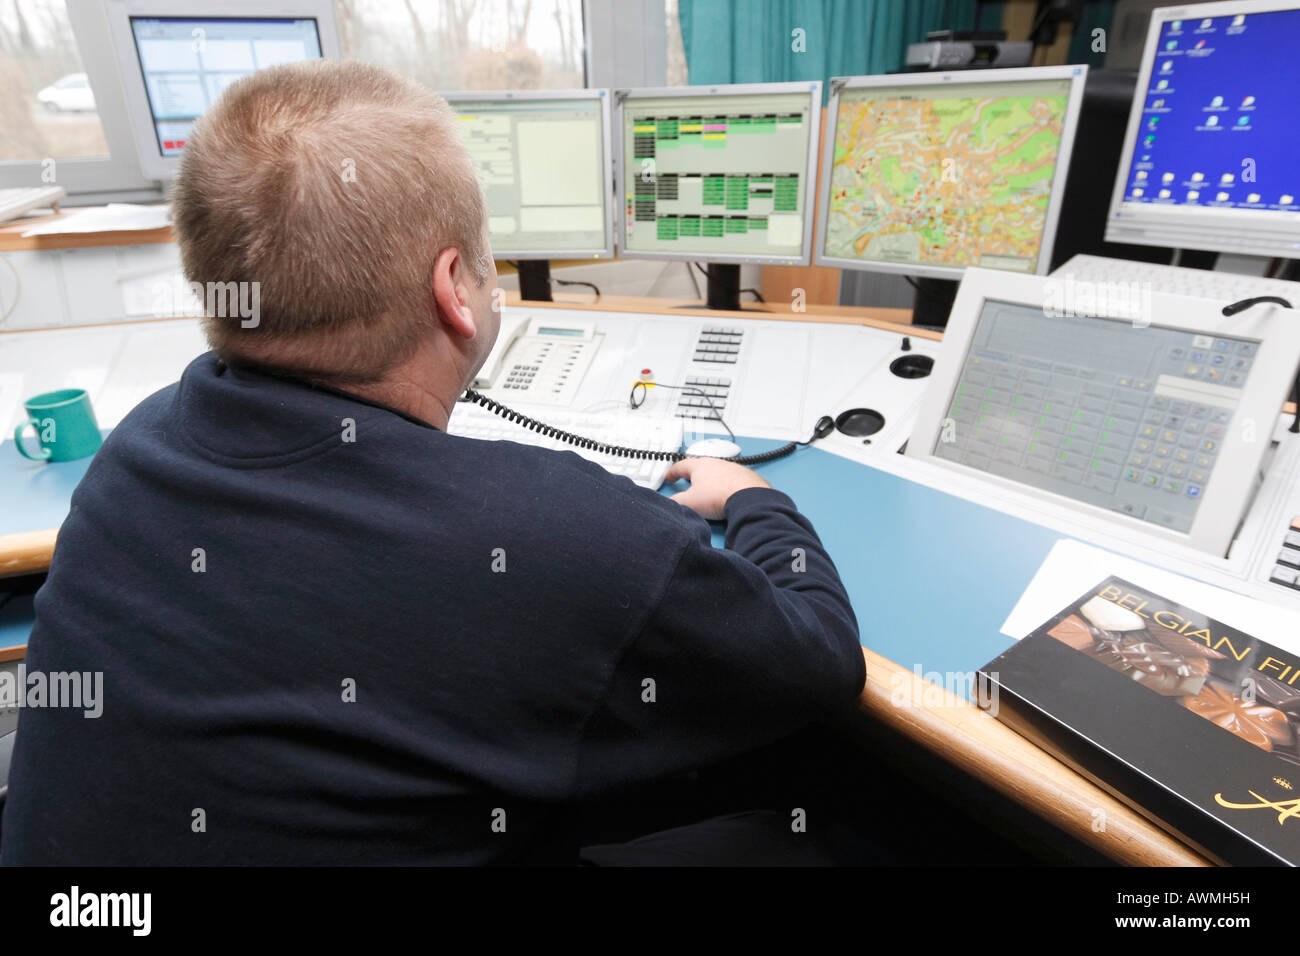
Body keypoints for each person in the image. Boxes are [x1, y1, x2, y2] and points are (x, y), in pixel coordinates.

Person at [1, 60, 864, 865]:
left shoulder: (134, 451)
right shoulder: (551, 535)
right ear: (454, 287)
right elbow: (820, 664)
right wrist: (756, 499)